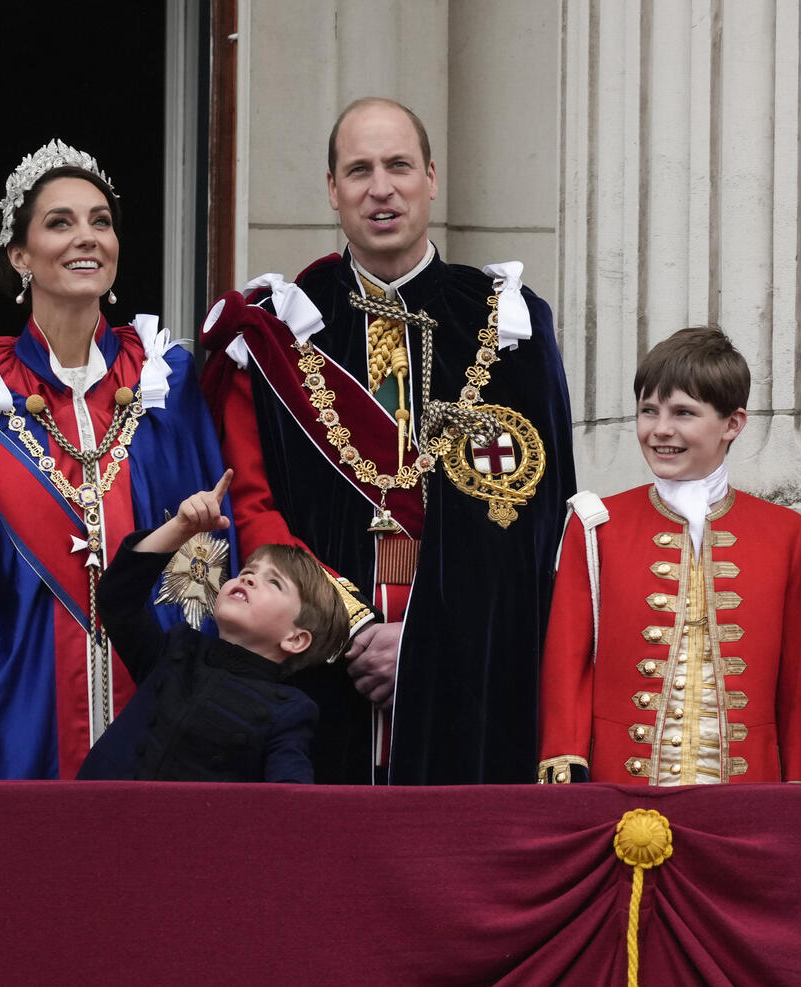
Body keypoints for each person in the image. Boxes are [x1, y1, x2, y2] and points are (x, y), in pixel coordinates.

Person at [199, 98, 577, 784]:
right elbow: (255, 508)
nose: (382, 187)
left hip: (468, 671)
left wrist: (426, 644)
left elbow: (530, 525)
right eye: (359, 169)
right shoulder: (279, 329)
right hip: (317, 664)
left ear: (431, 177)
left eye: (399, 165)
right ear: (333, 189)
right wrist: (350, 629)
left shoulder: (509, 324)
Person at [0, 140, 233, 779]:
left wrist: (189, 680)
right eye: (60, 222)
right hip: (17, 693)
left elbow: (207, 552)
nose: (87, 237)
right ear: (20, 256)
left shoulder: (164, 377)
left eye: (101, 221)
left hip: (155, 697)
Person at [538, 327, 801, 785]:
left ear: (732, 424)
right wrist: (565, 765)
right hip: (620, 788)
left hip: (749, 793)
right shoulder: (596, 525)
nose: (660, 430)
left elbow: (795, 681)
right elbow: (566, 664)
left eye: (683, 413)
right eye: (648, 411)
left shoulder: (784, 532)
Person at [80, 470, 347, 782]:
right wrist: (181, 528)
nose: (248, 578)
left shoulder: (288, 712)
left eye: (273, 583)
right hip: (97, 821)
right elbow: (116, 599)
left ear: (295, 639)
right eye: (249, 570)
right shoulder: (175, 652)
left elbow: (289, 806)